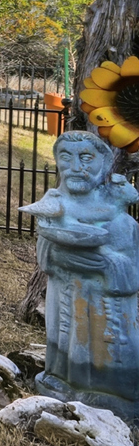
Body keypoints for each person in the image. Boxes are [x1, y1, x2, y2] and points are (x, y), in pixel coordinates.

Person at [21, 131, 139, 418]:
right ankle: (61, 381)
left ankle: (114, 395)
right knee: (64, 347)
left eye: (86, 158)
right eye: (66, 157)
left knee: (107, 354)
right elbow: (45, 258)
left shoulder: (119, 217)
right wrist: (61, 257)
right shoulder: (54, 208)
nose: (76, 167)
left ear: (105, 162)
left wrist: (105, 266)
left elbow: (131, 276)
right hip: (65, 298)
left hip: (106, 310)